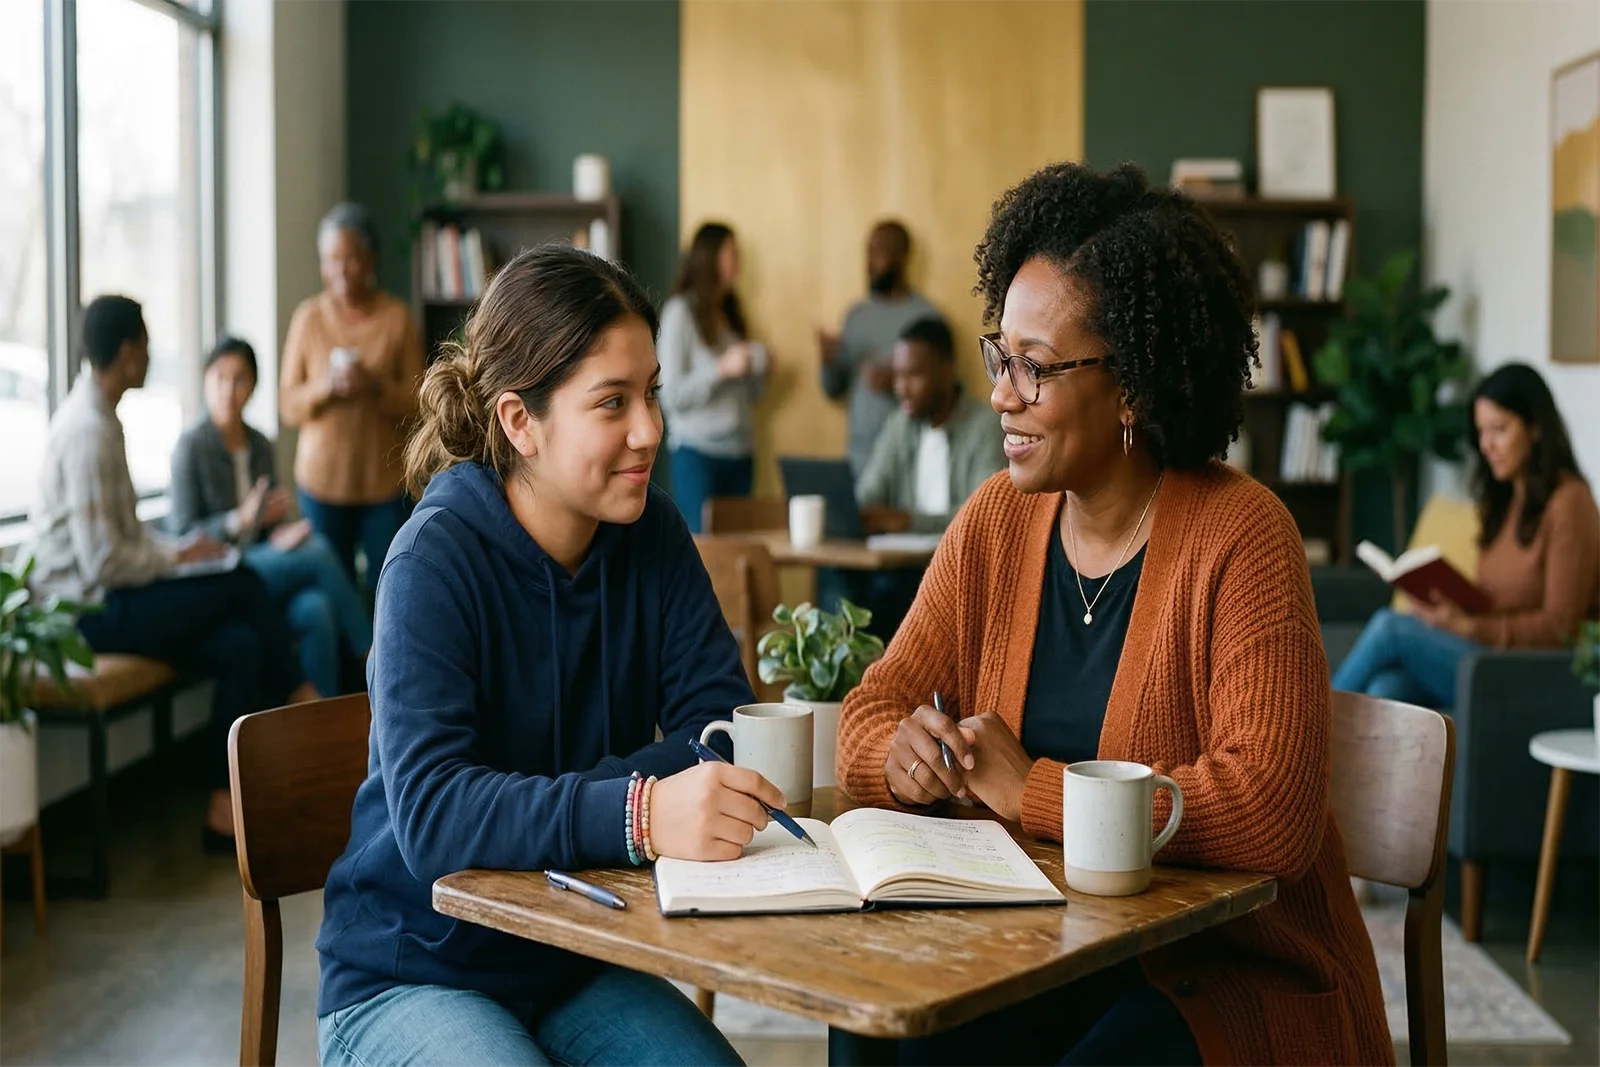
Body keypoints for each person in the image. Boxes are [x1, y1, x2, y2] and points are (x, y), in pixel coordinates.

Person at [834, 163, 1390, 1066]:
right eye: (999, 357)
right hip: (1047, 946)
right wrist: (900, 759)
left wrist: (1033, 790)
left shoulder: (1243, 537)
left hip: (1217, 972)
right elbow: (868, 709)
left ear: (1130, 385)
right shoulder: (995, 522)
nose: (1001, 394)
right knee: (872, 1017)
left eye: (1036, 368)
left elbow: (1273, 810)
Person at [316, 246, 784, 1067]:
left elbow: (718, 725)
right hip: (413, 970)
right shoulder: (431, 561)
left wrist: (606, 802)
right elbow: (434, 816)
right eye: (612, 403)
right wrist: (640, 810)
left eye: (651, 394)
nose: (651, 430)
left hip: (571, 953)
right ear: (518, 421)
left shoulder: (653, 533)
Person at [29, 296, 316, 849]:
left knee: (239, 645)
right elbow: (105, 563)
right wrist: (177, 559)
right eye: (146, 343)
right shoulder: (88, 431)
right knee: (243, 582)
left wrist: (181, 549)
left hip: (113, 594)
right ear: (128, 350)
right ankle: (305, 703)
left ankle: (220, 807)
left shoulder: (102, 419)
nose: (151, 353)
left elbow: (126, 538)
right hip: (89, 613)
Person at [1332, 362, 1600, 706]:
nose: (1487, 446)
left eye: (1499, 430)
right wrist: (1450, 609)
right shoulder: (1505, 501)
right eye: (1481, 433)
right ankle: (1330, 755)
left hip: (1528, 668)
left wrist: (1469, 628)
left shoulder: (1569, 503)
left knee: (1390, 628)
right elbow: (1501, 601)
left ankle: (1305, 733)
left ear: (1535, 428)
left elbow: (1562, 628)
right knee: (1387, 689)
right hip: (1485, 653)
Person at [169, 337, 373, 697]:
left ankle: (315, 734)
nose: (228, 390)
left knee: (317, 610)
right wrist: (238, 520)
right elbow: (183, 534)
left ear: (253, 387)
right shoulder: (191, 447)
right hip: (221, 572)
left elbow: (272, 520)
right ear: (205, 381)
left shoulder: (260, 444)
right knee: (320, 552)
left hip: (263, 564)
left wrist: (281, 531)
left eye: (240, 380)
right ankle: (373, 658)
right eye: (220, 378)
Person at [280, 201, 425, 593]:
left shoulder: (397, 319)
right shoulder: (308, 318)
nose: (341, 271)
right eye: (331, 260)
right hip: (321, 484)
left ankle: (380, 656)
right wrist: (325, 387)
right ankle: (349, 656)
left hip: (384, 487)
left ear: (372, 259)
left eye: (351, 259)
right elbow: (288, 405)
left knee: (390, 587)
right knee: (333, 594)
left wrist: (374, 385)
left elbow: (421, 405)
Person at [657, 221, 768, 532]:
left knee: (738, 557)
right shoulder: (680, 313)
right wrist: (721, 368)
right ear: (710, 258)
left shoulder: (731, 314)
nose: (738, 262)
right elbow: (671, 396)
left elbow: (753, 397)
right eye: (732, 253)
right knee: (706, 558)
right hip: (698, 455)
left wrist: (760, 368)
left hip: (742, 454)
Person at [856, 315, 1006, 535]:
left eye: (913, 375)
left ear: (947, 371)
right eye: (898, 376)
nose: (901, 389)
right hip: (899, 562)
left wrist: (909, 522)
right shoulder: (899, 425)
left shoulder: (985, 427)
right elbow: (868, 495)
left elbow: (982, 515)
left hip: (960, 560)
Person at [819, 220, 939, 476]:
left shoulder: (926, 318)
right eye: (868, 252)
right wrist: (829, 363)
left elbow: (944, 393)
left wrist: (896, 383)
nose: (870, 261)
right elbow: (834, 391)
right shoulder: (855, 316)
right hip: (859, 458)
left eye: (879, 251)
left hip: (909, 461)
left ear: (903, 256)